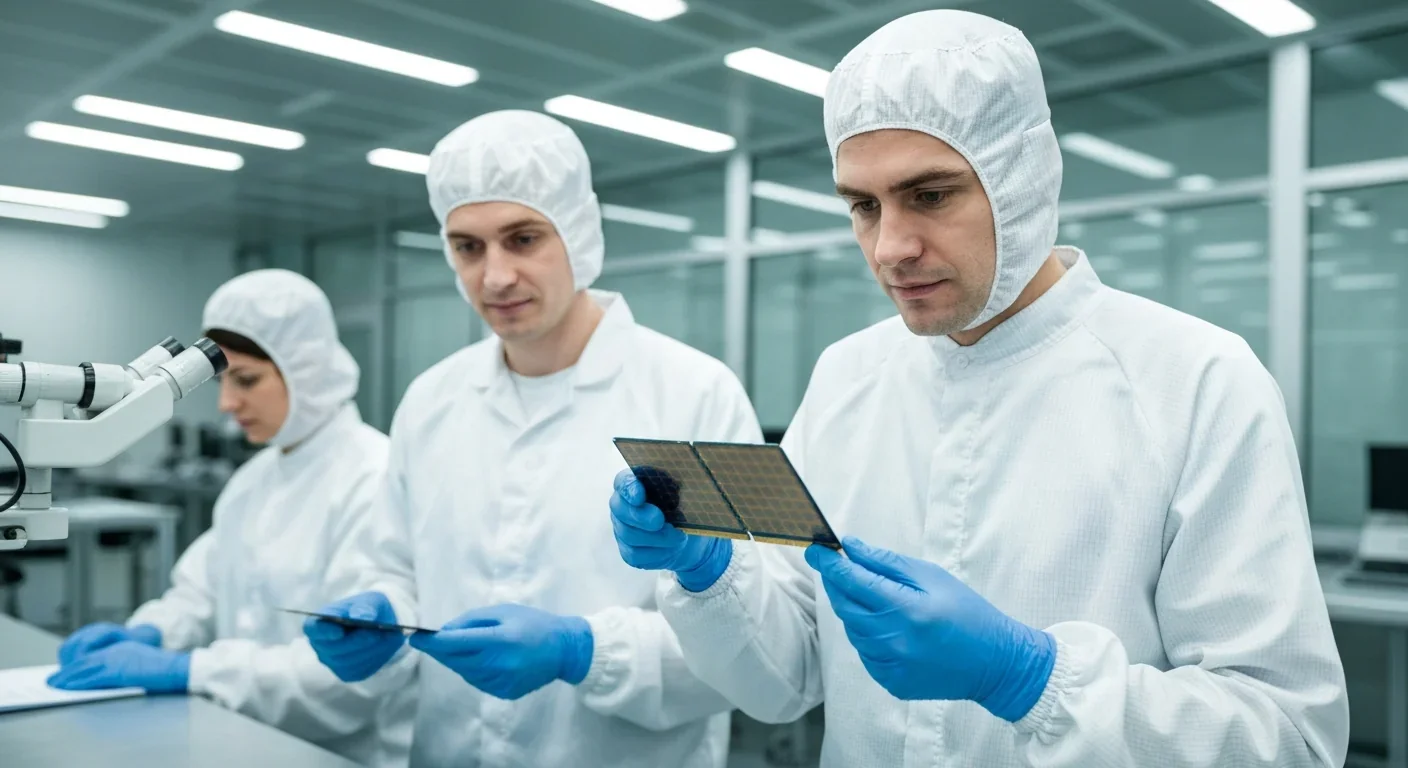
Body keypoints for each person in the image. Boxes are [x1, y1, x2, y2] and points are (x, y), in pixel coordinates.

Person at [609, 9, 1349, 767]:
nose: (890, 247)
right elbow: (790, 677)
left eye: (929, 194)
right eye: (863, 206)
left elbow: (1289, 736)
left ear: (1019, 178)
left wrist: (1030, 680)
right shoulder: (847, 375)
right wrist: (708, 574)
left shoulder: (1196, 381)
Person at [302, 110, 761, 768]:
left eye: (522, 239)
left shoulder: (696, 394)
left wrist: (582, 652)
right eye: (467, 246)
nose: (494, 277)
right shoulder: (430, 400)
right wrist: (380, 613)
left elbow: (752, 642)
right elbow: (395, 565)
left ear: (577, 233)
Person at [49, 269, 414, 768]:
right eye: (223, 382)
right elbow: (200, 593)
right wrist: (151, 631)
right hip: (238, 739)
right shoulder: (255, 478)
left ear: (304, 369)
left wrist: (189, 670)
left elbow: (347, 683)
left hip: (338, 755)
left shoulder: (372, 478)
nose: (226, 405)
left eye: (246, 380)